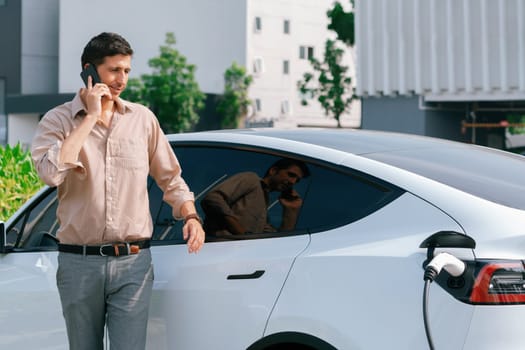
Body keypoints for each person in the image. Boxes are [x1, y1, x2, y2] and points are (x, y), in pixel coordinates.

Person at [31, 32, 205, 350]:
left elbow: (171, 179)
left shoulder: (142, 120)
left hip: (133, 263)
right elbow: (50, 173)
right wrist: (90, 118)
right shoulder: (57, 121)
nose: (121, 79)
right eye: (114, 70)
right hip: (78, 265)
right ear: (89, 71)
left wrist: (190, 215)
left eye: (126, 70)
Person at [201, 158, 310, 236]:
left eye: (297, 180)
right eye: (291, 175)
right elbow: (213, 198)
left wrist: (291, 210)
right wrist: (240, 232)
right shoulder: (251, 179)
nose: (292, 181)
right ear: (274, 171)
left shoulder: (264, 204)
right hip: (216, 248)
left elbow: (278, 240)